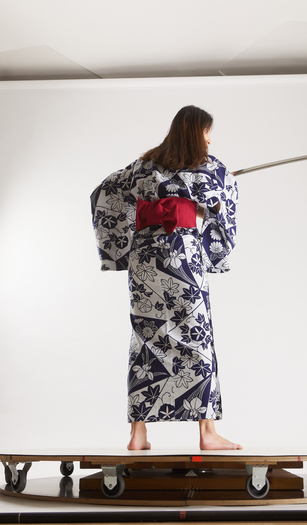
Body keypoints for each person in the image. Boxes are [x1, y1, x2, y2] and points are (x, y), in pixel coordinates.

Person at [91, 105, 242, 450]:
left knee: (147, 338)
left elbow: (104, 192)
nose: (209, 138)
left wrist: (119, 246)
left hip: (145, 260)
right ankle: (207, 433)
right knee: (197, 338)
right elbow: (223, 201)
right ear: (194, 133)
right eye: (206, 132)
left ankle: (138, 434)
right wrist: (213, 200)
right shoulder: (209, 168)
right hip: (182, 257)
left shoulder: (143, 166)